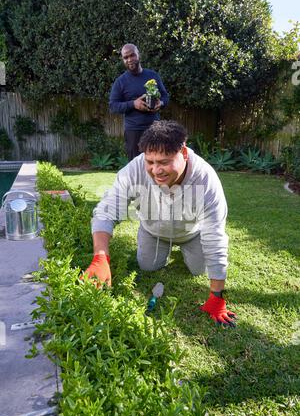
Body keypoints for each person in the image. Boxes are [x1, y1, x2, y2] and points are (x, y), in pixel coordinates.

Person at [84, 120, 236, 327]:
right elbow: (107, 210)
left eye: (164, 162)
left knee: (198, 271)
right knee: (147, 267)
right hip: (153, 231)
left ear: (183, 153)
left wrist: (216, 296)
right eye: (150, 162)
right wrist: (100, 258)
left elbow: (215, 236)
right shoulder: (134, 170)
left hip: (192, 234)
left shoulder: (205, 179)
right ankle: (162, 246)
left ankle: (186, 251)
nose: (156, 170)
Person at [109, 43, 169, 161]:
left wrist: (160, 103)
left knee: (157, 162)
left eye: (132, 55)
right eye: (126, 57)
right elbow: (113, 106)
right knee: (136, 167)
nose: (129, 59)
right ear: (123, 60)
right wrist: (133, 104)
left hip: (154, 128)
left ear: (138, 55)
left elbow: (165, 97)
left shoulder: (152, 75)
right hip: (133, 131)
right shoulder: (120, 82)